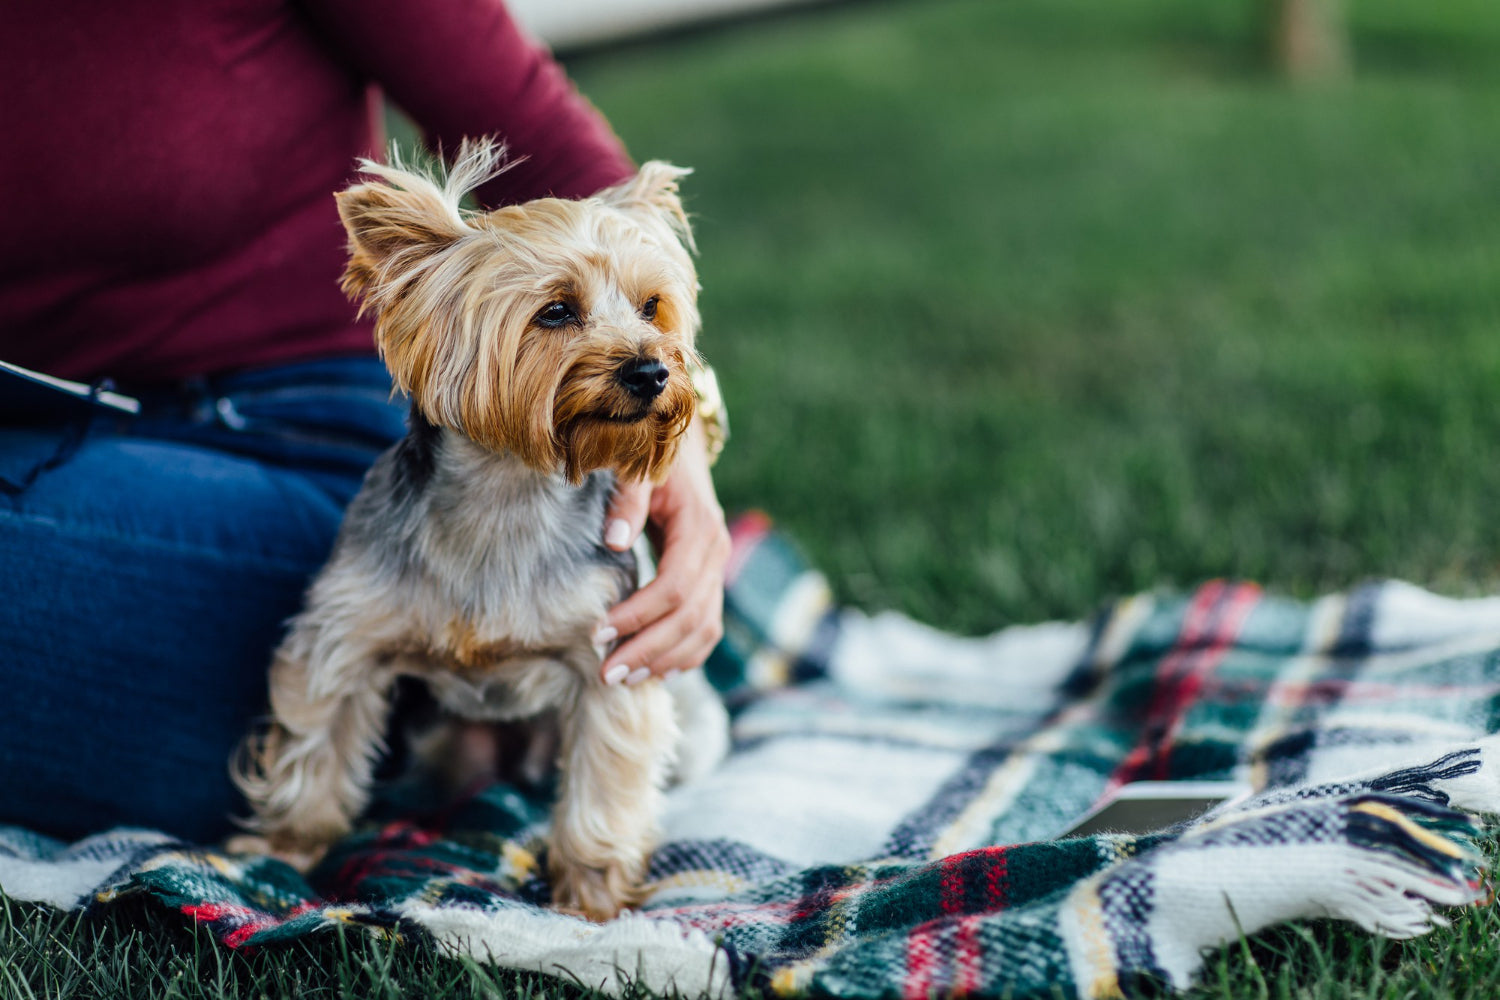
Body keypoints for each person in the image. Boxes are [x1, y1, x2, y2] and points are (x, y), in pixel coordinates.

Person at [0, 0, 730, 844]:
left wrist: (691, 444)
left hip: (295, 422)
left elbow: (546, 137)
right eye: (560, 314)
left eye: (648, 313)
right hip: (63, 430)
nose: (637, 351)